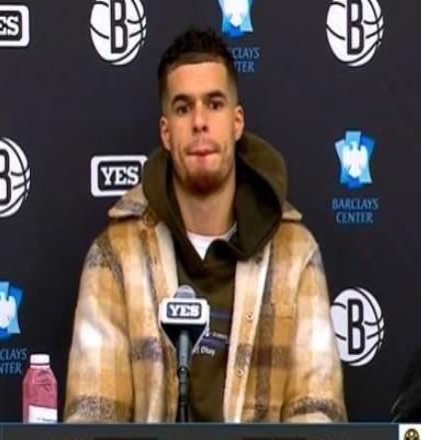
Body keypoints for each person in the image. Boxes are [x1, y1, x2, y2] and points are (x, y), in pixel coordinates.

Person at [65, 27, 346, 423]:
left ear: (236, 122)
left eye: (214, 104)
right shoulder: (115, 255)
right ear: (166, 133)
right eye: (183, 108)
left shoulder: (295, 252)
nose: (199, 122)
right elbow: (93, 418)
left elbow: (318, 415)